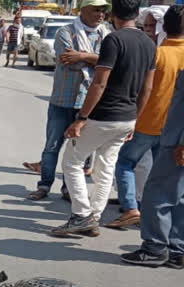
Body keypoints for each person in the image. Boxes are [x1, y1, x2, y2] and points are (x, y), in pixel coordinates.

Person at [51, 0, 156, 237]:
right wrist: (135, 120)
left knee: (72, 160)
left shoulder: (114, 39)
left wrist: (81, 118)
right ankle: (93, 217)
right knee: (106, 167)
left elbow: (99, 82)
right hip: (127, 117)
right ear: (137, 14)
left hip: (105, 114)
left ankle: (80, 214)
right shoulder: (149, 44)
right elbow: (147, 89)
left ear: (113, 15)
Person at [23, 0, 110, 202]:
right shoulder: (66, 32)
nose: (100, 14)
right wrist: (95, 59)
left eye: (103, 10)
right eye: (96, 10)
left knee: (80, 151)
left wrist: (81, 55)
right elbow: (68, 62)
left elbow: (108, 62)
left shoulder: (105, 35)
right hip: (62, 100)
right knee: (52, 146)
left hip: (87, 104)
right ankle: (44, 186)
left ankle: (68, 188)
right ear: (83, 11)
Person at [107, 6, 184, 228]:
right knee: (163, 176)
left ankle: (131, 207)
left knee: (125, 162)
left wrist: (133, 119)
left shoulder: (158, 54)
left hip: (148, 121)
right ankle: (155, 216)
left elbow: (145, 89)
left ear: (163, 27)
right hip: (174, 130)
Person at [120, 69, 184, 268]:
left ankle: (154, 249)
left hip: (176, 143)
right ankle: (177, 250)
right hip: (174, 138)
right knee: (179, 196)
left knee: (157, 194)